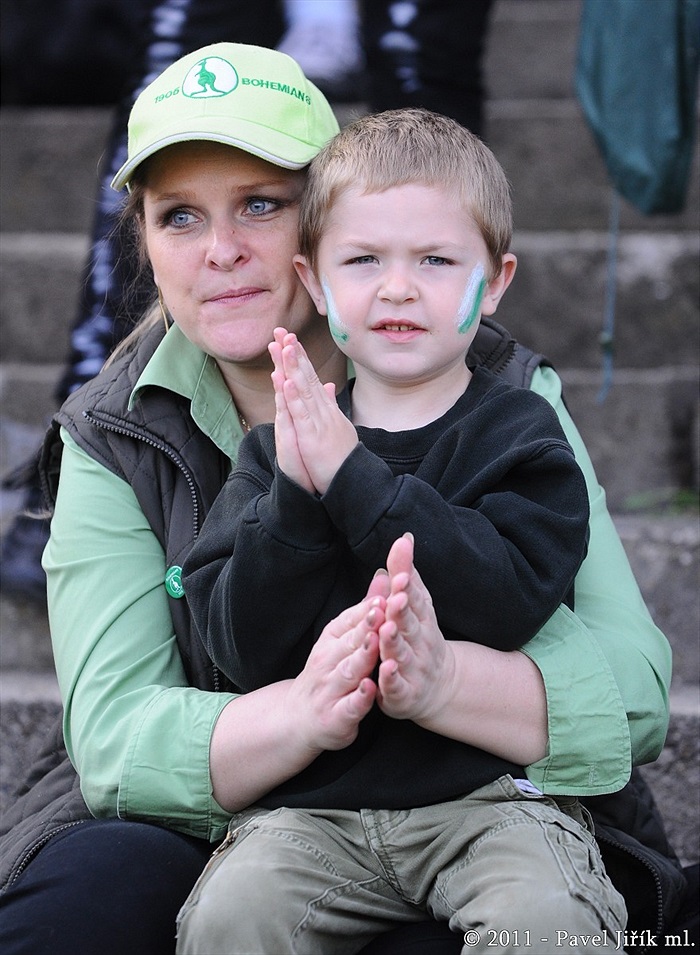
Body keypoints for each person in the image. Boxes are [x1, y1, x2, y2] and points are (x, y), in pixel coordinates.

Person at [0, 41, 685, 955]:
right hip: (236, 814)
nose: (224, 251)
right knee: (82, 908)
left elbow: (632, 689)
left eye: (260, 204)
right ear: (147, 244)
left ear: (324, 224)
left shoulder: (499, 393)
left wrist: (442, 682)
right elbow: (119, 738)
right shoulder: (113, 424)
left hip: (482, 803)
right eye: (179, 218)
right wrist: (299, 713)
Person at [183, 108, 590, 694]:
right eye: (364, 259)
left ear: (496, 282)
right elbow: (239, 651)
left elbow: (512, 604)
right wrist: (297, 499)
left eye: (435, 260)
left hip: (482, 786)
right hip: (303, 785)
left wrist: (353, 480)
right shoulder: (277, 455)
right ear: (316, 283)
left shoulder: (520, 434)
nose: (397, 288)